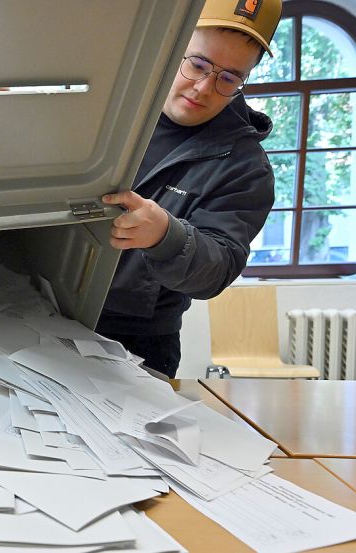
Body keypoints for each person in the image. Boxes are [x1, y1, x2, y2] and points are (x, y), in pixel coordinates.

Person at [95, 0, 281, 378]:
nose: (203, 88)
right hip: (35, 308)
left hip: (138, 342)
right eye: (197, 64)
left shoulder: (246, 168)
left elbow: (219, 268)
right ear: (172, 46)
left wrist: (166, 235)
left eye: (228, 78)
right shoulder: (104, 104)